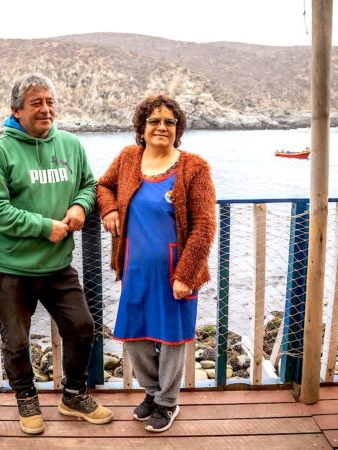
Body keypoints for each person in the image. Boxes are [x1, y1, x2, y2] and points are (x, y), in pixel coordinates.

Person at [0, 73, 113, 435]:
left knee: (83, 328)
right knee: (16, 340)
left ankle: (73, 395)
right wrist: (43, 226)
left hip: (57, 264)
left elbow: (88, 184)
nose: (46, 109)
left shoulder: (70, 144)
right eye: (36, 102)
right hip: (12, 266)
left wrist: (82, 208)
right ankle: (26, 398)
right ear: (16, 111)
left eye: (50, 101)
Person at [97, 94, 216, 433]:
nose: (161, 127)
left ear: (178, 130)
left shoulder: (194, 166)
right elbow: (103, 186)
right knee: (135, 336)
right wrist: (110, 209)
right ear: (142, 127)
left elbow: (204, 226)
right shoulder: (128, 158)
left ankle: (167, 403)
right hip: (134, 269)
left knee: (172, 338)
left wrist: (187, 275)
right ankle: (151, 392)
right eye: (154, 121)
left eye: (169, 122)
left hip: (175, 273)